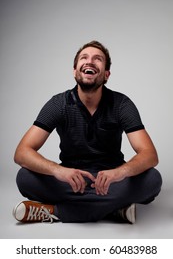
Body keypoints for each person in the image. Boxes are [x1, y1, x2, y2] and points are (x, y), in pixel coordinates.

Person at [13, 40, 162, 224]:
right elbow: (22, 152)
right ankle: (114, 210)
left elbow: (149, 155)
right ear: (75, 71)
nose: (90, 61)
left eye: (97, 59)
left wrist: (119, 173)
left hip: (112, 182)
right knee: (24, 177)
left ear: (106, 74)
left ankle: (55, 211)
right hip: (71, 180)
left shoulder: (122, 104)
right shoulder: (58, 104)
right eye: (84, 57)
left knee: (153, 179)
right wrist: (58, 170)